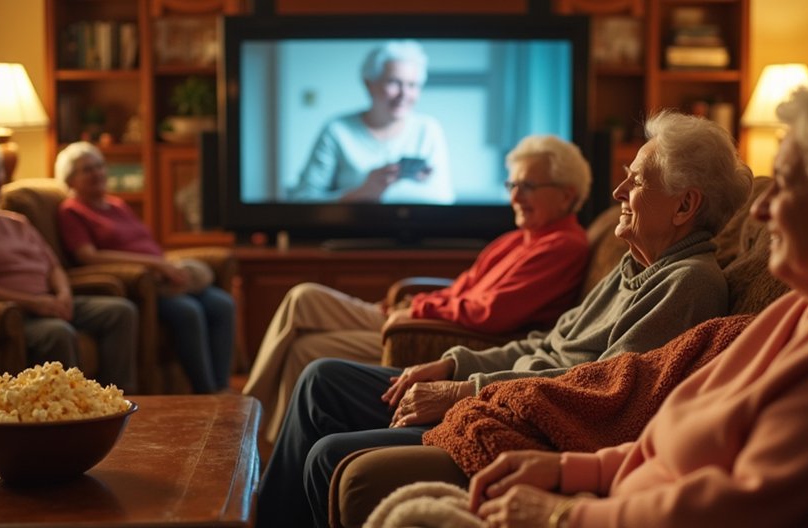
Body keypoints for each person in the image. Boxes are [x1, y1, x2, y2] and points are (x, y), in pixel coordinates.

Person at [333, 67, 808, 528]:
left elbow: (728, 516)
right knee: (406, 515)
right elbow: (666, 441)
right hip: (616, 507)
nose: (760, 213)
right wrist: (571, 472)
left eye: (788, 185)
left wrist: (561, 515)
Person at [237, 109, 754, 528]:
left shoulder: (690, 282)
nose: (619, 193)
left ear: (685, 205)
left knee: (329, 455)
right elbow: (548, 341)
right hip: (505, 390)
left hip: (531, 419)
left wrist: (468, 391)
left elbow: (598, 392)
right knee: (322, 378)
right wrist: (454, 363)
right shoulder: (634, 267)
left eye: (636, 182)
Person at [245, 134, 593, 443]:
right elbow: (463, 290)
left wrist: (415, 311)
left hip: (447, 337)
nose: (515, 196)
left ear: (566, 195)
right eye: (512, 185)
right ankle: (266, 437)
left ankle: (247, 418)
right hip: (427, 320)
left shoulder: (562, 246)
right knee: (306, 321)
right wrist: (416, 303)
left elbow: (490, 313)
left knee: (306, 320)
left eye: (528, 186)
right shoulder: (516, 239)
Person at [55, 141, 235, 394]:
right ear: (70, 180)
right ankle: (205, 392)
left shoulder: (117, 205)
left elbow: (147, 244)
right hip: (138, 287)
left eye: (99, 166)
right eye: (87, 170)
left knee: (221, 303)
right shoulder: (71, 211)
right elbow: (88, 256)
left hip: (162, 275)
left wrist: (168, 266)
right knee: (188, 311)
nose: (97, 173)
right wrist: (154, 265)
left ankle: (222, 387)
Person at [0, 140, 138, 392]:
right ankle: (73, 410)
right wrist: (34, 303)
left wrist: (63, 295)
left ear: (2, 177)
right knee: (57, 332)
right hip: (16, 313)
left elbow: (54, 268)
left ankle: (117, 400)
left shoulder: (18, 222)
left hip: (49, 299)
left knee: (121, 311)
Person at [291, 40, 453, 204]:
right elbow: (303, 200)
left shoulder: (429, 129)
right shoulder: (337, 131)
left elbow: (444, 199)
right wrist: (363, 192)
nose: (404, 94)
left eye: (412, 85)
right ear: (369, 84)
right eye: (394, 82)